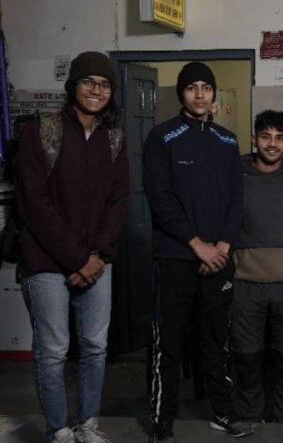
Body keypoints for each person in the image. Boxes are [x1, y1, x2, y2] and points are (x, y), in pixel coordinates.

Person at [17, 52, 128, 443]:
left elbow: (118, 202)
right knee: (53, 351)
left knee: (95, 347)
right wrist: (79, 258)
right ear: (72, 86)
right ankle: (59, 430)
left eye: (104, 84)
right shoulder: (41, 131)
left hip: (98, 262)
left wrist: (98, 257)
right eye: (87, 81)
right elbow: (33, 204)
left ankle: (87, 425)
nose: (96, 90)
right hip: (46, 263)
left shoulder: (114, 138)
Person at [144, 62, 248, 442]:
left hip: (218, 259)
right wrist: (197, 245)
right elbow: (161, 200)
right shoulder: (162, 137)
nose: (200, 94)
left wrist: (221, 246)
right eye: (192, 87)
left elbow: (236, 200)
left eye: (206, 87)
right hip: (176, 258)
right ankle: (162, 422)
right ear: (182, 93)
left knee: (217, 343)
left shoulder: (227, 141)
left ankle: (223, 412)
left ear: (214, 93)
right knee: (168, 345)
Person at [230, 110, 283, 430]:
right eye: (265, 137)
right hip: (246, 285)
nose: (272, 144)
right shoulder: (234, 181)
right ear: (253, 139)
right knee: (246, 357)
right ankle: (248, 420)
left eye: (279, 138)